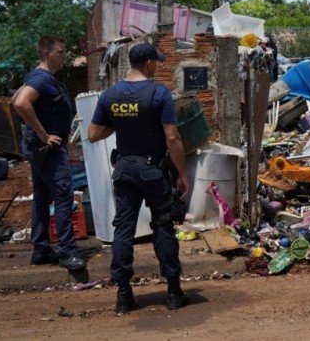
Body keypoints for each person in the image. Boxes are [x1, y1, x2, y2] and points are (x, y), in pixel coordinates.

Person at [87, 42, 191, 313]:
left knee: (123, 229)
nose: (156, 65)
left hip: (123, 170)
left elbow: (93, 134)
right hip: (152, 171)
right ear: (148, 64)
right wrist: (183, 173)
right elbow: (172, 137)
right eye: (155, 61)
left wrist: (121, 122)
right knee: (163, 225)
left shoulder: (110, 95)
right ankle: (173, 292)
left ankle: (123, 295)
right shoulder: (159, 94)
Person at [13, 35, 86, 271]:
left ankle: (41, 249)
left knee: (42, 197)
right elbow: (20, 103)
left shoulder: (40, 77)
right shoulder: (41, 78)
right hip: (48, 149)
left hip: (43, 149)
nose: (65, 56)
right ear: (47, 53)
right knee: (63, 195)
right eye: (61, 52)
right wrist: (43, 134)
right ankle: (67, 252)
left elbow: (16, 97)